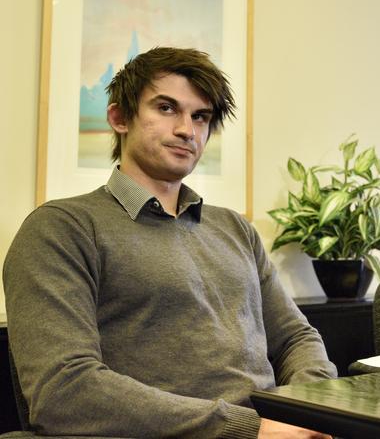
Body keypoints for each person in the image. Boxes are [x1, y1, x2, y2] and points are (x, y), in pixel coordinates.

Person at [3, 47, 337, 438]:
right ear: (119, 117)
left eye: (201, 117)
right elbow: (64, 391)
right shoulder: (62, 229)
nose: (186, 130)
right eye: (166, 108)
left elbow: (296, 337)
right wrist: (248, 429)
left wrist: (308, 410)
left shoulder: (235, 229)